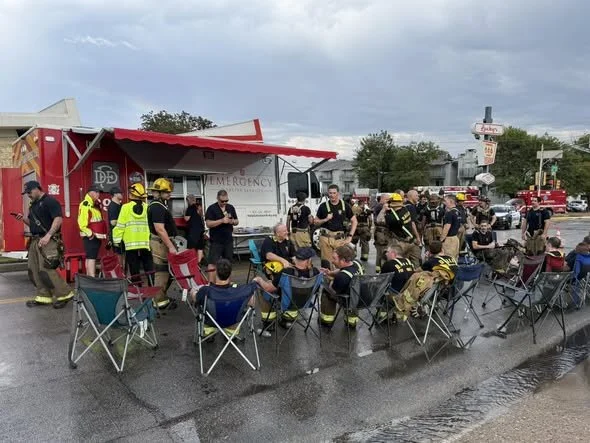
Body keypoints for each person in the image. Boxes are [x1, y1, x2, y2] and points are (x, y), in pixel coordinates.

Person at [15, 181, 73, 309]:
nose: (28, 195)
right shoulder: (33, 205)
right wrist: (23, 219)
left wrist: (48, 236)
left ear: (37, 189)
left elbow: (58, 219)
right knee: (34, 268)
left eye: (29, 192)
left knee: (47, 268)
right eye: (26, 193)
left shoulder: (50, 201)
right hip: (36, 241)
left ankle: (65, 294)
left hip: (49, 240)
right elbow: (32, 223)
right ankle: (44, 296)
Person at [254, 247, 320, 328]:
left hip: (286, 304)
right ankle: (287, 319)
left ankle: (269, 323)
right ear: (308, 261)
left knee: (263, 288)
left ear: (295, 259)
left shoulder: (286, 273)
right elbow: (316, 290)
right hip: (305, 303)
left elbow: (268, 288)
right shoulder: (316, 272)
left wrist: (259, 280)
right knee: (288, 291)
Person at [191, 259, 256, 337]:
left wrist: (193, 291)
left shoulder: (206, 290)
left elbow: (196, 300)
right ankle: (230, 333)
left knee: (200, 301)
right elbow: (252, 302)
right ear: (230, 273)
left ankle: (209, 333)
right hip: (233, 322)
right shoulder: (241, 290)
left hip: (212, 322)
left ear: (216, 272)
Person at [112, 183, 154, 286]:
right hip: (146, 243)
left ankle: (138, 288)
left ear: (132, 195)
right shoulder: (147, 208)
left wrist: (116, 241)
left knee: (134, 267)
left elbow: (120, 226)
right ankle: (152, 285)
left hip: (131, 244)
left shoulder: (125, 208)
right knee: (149, 266)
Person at [147, 177, 178, 309]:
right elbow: (160, 229)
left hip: (162, 242)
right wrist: (171, 246)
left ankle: (161, 296)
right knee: (162, 272)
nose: (170, 194)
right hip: (161, 244)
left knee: (169, 272)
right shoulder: (157, 207)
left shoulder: (159, 205)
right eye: (167, 192)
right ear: (159, 193)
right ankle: (159, 301)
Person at [319, 245, 363, 328]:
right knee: (352, 293)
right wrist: (330, 273)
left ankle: (327, 320)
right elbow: (342, 270)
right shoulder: (357, 263)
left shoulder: (341, 277)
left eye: (334, 258)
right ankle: (351, 321)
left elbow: (333, 290)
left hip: (348, 301)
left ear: (343, 260)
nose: (332, 261)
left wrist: (330, 279)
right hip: (361, 298)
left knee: (327, 291)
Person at [314, 184, 357, 268]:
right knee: (326, 263)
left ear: (338, 193)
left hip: (339, 239)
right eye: (330, 193)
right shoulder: (323, 206)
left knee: (340, 262)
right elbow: (316, 222)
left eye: (334, 193)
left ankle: (339, 279)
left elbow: (354, 221)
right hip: (325, 238)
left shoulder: (345, 206)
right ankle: (327, 280)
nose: (332, 195)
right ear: (328, 194)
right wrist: (325, 219)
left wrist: (350, 237)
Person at [205, 189, 239, 282]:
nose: (224, 203)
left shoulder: (230, 207)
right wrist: (221, 221)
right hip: (216, 241)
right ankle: (211, 284)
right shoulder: (212, 208)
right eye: (222, 201)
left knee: (228, 263)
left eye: (226, 201)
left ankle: (227, 284)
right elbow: (208, 224)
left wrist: (231, 221)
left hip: (228, 240)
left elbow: (236, 221)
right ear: (217, 198)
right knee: (213, 263)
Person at [384, 193, 422, 268]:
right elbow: (412, 224)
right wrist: (417, 237)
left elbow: (380, 221)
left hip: (399, 242)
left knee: (398, 263)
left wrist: (384, 210)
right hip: (412, 241)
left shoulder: (390, 216)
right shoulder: (406, 209)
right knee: (415, 264)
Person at [78, 184, 107, 277]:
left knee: (90, 257)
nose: (98, 194)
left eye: (99, 192)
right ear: (90, 192)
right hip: (91, 236)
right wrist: (90, 234)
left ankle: (89, 277)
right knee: (92, 258)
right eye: (96, 192)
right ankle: (92, 278)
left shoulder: (94, 204)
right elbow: (82, 223)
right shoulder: (86, 204)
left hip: (94, 236)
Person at [184, 194, 205, 265]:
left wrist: (183, 214)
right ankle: (198, 262)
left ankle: (191, 263)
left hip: (193, 231)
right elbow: (201, 215)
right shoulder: (199, 206)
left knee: (190, 247)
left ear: (189, 200)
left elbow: (187, 219)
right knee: (200, 247)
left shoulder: (190, 208)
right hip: (201, 230)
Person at [373, 193, 391, 272]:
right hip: (381, 233)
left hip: (381, 232)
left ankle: (379, 268)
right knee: (382, 251)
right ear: (382, 199)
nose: (388, 201)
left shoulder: (379, 206)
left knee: (381, 251)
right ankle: (381, 269)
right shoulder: (380, 207)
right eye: (387, 200)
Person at [440, 195, 461, 260]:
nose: (444, 203)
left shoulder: (449, 213)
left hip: (449, 239)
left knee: (447, 258)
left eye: (445, 201)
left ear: (451, 201)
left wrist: (441, 240)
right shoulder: (458, 212)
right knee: (455, 259)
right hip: (455, 238)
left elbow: (447, 227)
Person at [107, 186, 124, 264]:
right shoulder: (113, 206)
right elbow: (113, 222)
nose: (122, 194)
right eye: (120, 193)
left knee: (123, 254)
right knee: (119, 255)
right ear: (115, 194)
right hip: (116, 235)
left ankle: (123, 272)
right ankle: (120, 273)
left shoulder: (120, 205)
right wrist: (124, 222)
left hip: (122, 235)